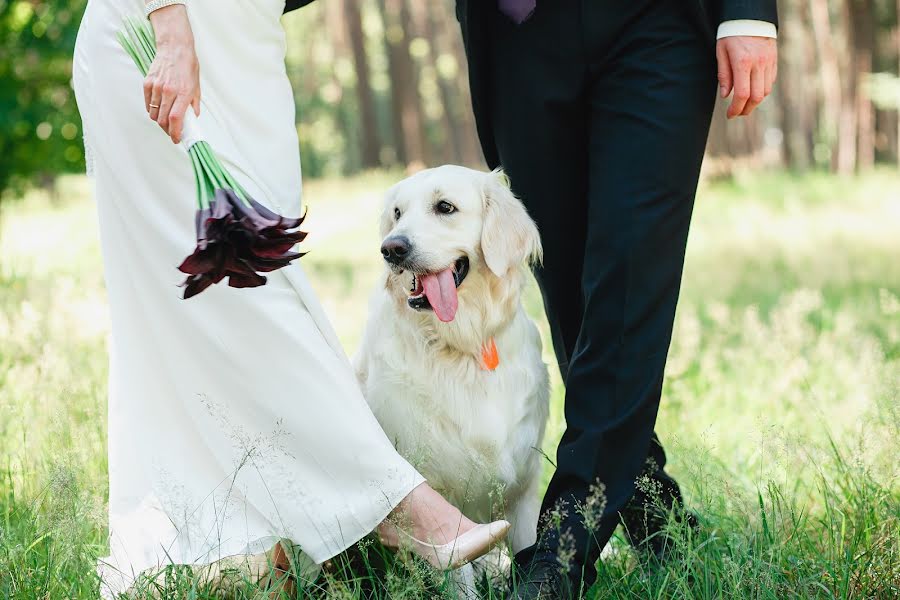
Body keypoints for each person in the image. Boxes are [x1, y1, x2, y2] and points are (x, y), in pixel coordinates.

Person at [72, 0, 508, 596]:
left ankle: (260, 545)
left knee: (232, 295)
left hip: (249, 46)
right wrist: (168, 24)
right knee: (241, 282)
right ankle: (393, 503)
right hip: (159, 33)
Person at [454, 0, 778, 597]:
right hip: (515, 33)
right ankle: (658, 518)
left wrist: (748, 10)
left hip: (656, 23)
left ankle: (561, 550)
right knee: (575, 300)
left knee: (628, 275)